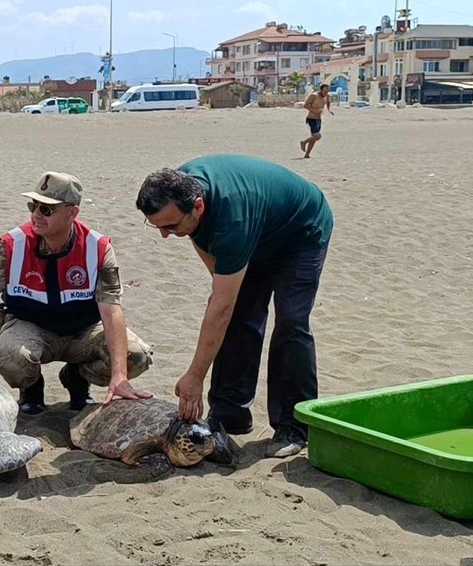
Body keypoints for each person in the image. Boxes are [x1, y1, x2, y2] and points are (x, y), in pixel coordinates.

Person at [135, 154, 333, 458]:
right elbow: (219, 280)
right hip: (254, 232)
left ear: (198, 207)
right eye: (157, 227)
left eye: (171, 226)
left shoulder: (232, 217)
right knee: (241, 312)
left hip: (301, 233)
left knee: (291, 321)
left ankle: (294, 425)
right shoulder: (183, 187)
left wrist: (194, 377)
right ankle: (230, 413)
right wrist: (226, 293)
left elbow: (220, 306)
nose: (164, 235)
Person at [0, 172, 155, 414]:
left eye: (47, 209)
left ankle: (76, 377)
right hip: (30, 326)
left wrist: (119, 376)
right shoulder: (11, 244)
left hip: (84, 331)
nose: (36, 214)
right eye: (33, 206)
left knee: (137, 356)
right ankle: (32, 388)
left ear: (72, 212)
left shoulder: (98, 248)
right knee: (9, 355)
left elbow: (111, 312)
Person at [300, 84, 332, 158]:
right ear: (321, 90)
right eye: (324, 92)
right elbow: (305, 105)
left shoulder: (327, 96)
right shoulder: (314, 96)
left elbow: (328, 102)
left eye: (327, 91)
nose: (326, 93)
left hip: (318, 119)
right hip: (311, 118)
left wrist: (329, 110)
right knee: (317, 136)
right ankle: (304, 142)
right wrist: (315, 111)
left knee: (314, 138)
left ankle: (307, 154)